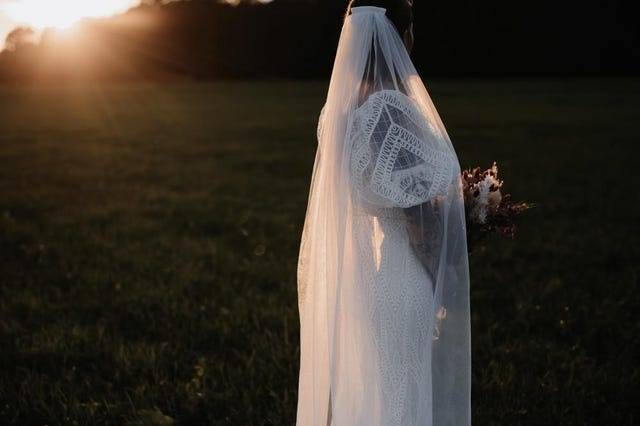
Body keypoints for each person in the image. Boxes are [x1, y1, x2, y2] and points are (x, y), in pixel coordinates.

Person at [296, 1, 471, 425]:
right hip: (404, 275)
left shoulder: (340, 112)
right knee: (403, 395)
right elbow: (416, 214)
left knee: (385, 392)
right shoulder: (391, 110)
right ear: (401, 36)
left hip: (371, 277)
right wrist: (448, 259)